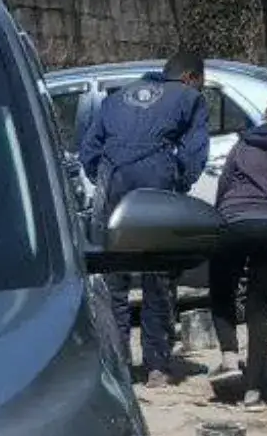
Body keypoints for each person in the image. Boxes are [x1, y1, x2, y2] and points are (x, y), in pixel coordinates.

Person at [79, 51, 210, 386]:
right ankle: (157, 365)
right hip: (156, 183)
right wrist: (179, 181)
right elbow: (195, 153)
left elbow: (89, 150)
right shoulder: (190, 98)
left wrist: (104, 179)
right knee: (158, 276)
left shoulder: (115, 98)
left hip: (113, 183)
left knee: (115, 279)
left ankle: (119, 364)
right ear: (190, 78)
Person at [207, 88, 267, 409]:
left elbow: (224, 184)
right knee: (259, 306)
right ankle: (253, 393)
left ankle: (229, 357)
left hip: (234, 221)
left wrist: (220, 218)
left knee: (222, 290)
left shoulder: (244, 141)